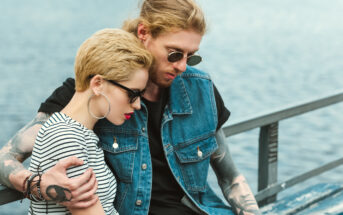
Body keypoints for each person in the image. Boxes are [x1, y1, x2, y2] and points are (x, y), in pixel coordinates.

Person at [0, 0, 261, 214]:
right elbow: (6, 157)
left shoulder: (200, 91)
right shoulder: (93, 92)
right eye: (174, 54)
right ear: (143, 33)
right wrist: (37, 185)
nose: (182, 66)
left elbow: (231, 179)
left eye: (191, 56)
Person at [26, 28, 153, 215]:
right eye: (132, 94)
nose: (137, 105)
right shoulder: (65, 137)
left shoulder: (81, 134)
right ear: (98, 84)